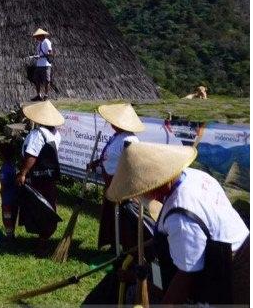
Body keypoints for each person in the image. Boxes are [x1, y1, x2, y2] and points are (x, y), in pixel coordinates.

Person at [106, 142, 249, 305]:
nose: (140, 194)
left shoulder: (181, 216)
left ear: (157, 183)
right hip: (235, 248)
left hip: (234, 271)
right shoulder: (196, 176)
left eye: (142, 189)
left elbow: (186, 276)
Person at [86, 103, 144, 250]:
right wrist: (96, 163)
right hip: (111, 184)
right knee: (111, 217)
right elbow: (110, 156)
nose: (111, 123)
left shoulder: (130, 140)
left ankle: (126, 249)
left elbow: (131, 163)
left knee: (124, 218)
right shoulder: (116, 136)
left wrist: (123, 188)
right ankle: (113, 245)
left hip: (122, 187)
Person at [16, 100, 64, 251]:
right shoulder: (54, 134)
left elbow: (32, 155)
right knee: (48, 204)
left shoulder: (38, 134)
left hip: (37, 177)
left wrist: (23, 173)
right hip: (49, 176)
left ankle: (42, 240)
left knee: (39, 206)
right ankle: (45, 235)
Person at [0, 141, 19, 240]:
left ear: (2, 155)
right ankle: (12, 233)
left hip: (7, 199)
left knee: (7, 217)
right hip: (15, 197)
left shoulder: (4, 169)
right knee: (13, 216)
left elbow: (3, 184)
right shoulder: (14, 166)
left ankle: (9, 237)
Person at [31, 28, 53, 101]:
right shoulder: (39, 44)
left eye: (37, 36)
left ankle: (46, 95)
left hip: (45, 64)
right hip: (39, 64)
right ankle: (38, 95)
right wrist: (37, 56)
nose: (36, 38)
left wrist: (40, 56)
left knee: (46, 80)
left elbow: (50, 53)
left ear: (41, 35)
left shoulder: (46, 42)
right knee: (36, 79)